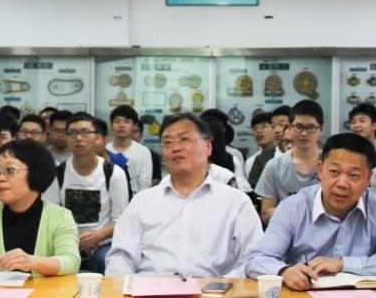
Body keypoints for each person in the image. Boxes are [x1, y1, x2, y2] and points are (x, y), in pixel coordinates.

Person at [243, 133, 376, 288]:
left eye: (354, 175)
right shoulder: (293, 207)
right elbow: (256, 260)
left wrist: (342, 264)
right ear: (320, 170)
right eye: (334, 171)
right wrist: (284, 271)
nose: (342, 183)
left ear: (368, 179)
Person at [106, 113, 261, 277]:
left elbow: (254, 259)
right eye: (168, 142)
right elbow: (120, 257)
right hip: (151, 287)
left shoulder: (236, 202)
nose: (176, 147)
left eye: (184, 139)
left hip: (216, 288)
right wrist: (132, 284)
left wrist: (220, 286)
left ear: (208, 147)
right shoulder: (143, 202)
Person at [0, 140, 80, 276]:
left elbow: (71, 262)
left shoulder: (60, 216)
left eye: (10, 170)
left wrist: (34, 262)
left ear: (36, 172)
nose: (0, 178)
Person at [44, 113, 130, 273]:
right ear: (67, 138)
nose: (78, 138)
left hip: (103, 243)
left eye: (85, 132)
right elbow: (51, 216)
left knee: (106, 262)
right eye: (72, 133)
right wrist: (70, 239)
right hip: (66, 242)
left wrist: (97, 236)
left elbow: (121, 219)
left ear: (97, 138)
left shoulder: (113, 173)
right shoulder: (57, 173)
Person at [254, 100, 324, 224]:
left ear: (321, 129)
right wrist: (300, 210)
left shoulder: (331, 165)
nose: (304, 133)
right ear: (290, 128)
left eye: (311, 127)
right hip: (287, 232)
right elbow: (265, 214)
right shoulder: (274, 166)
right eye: (299, 127)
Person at [107, 105, 153, 195]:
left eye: (126, 121)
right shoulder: (105, 150)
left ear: (134, 125)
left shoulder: (143, 152)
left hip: (135, 200)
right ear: (111, 125)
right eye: (117, 121)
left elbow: (145, 184)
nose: (121, 125)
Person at [246, 112, 278, 191]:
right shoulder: (250, 162)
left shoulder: (284, 154)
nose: (258, 131)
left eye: (264, 126)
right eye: (255, 128)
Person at [348, 102, 376, 168]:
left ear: (375, 126)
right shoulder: (347, 152)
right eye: (353, 122)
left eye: (362, 121)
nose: (356, 125)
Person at [131, 121, 162, 186]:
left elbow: (156, 182)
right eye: (129, 131)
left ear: (141, 135)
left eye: (135, 131)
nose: (131, 135)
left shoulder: (153, 156)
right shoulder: (114, 155)